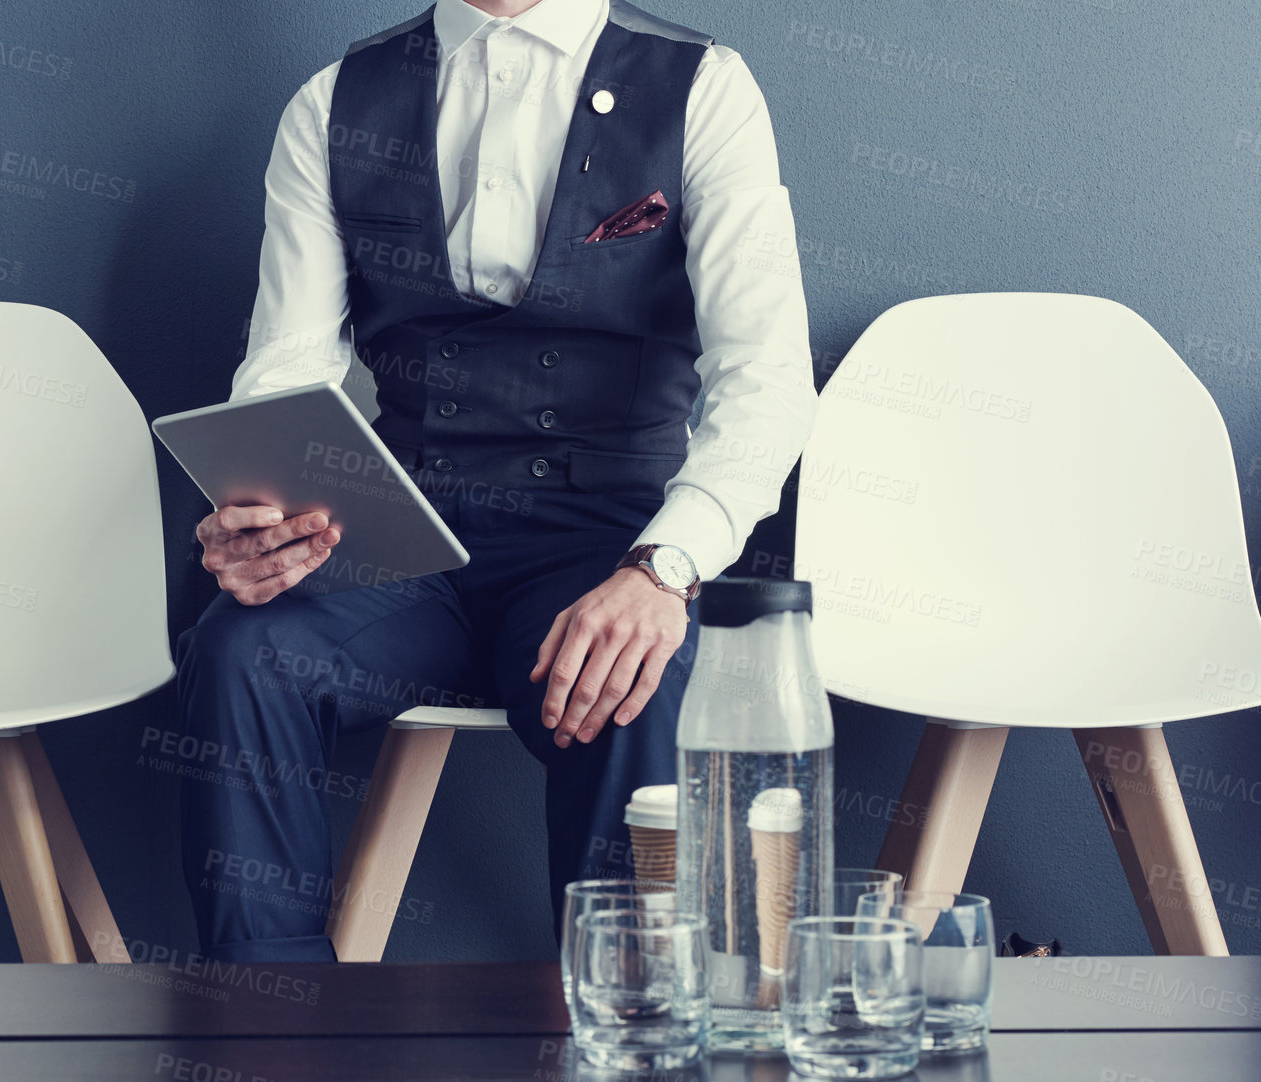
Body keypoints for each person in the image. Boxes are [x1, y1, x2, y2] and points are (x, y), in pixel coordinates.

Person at [173, 0, 816, 962]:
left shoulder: (704, 87)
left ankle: (629, 1027)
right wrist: (255, 513)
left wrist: (663, 572)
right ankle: (272, 1034)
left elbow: (764, 382)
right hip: (398, 536)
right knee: (240, 650)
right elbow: (286, 369)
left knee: (640, 676)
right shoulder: (330, 103)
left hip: (604, 543)